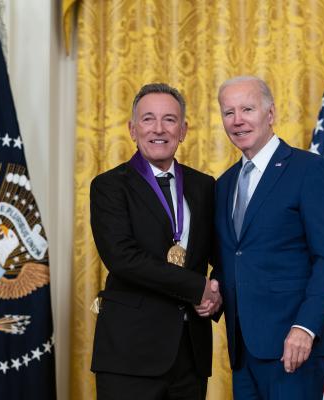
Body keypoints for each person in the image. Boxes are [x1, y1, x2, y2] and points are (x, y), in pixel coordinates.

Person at [214, 76, 324, 399]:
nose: (237, 120)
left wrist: (305, 327)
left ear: (270, 113)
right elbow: (234, 257)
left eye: (247, 109)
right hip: (243, 350)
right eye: (228, 112)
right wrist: (212, 292)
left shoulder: (308, 169)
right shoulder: (224, 184)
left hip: (294, 347)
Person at [90, 83, 222, 400]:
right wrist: (196, 287)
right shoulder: (109, 186)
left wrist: (216, 292)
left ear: (184, 129)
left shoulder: (204, 186)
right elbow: (123, 258)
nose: (159, 129)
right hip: (129, 354)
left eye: (170, 119)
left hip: (190, 352)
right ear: (133, 129)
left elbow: (223, 254)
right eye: (148, 119)